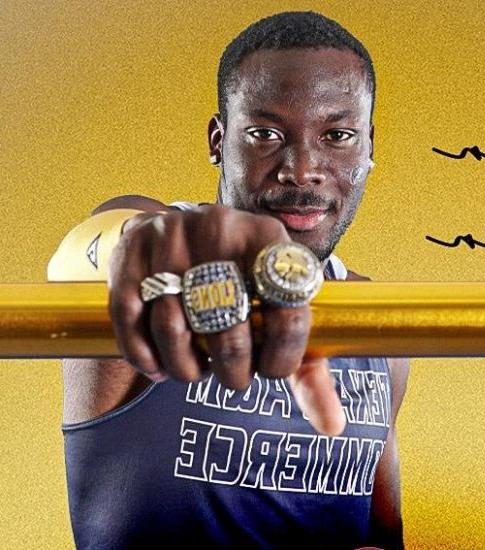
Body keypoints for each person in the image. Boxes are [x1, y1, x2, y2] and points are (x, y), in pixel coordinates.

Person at [50, 11, 410, 549]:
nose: (302, 168)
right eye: (265, 134)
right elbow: (89, 252)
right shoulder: (164, 264)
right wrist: (135, 243)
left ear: (369, 147)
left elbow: (382, 535)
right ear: (219, 140)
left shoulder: (375, 322)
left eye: (337, 135)